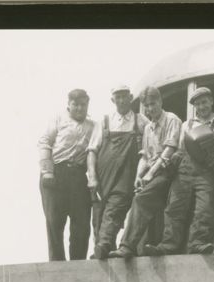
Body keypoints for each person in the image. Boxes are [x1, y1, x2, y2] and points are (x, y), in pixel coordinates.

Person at [144, 85, 214, 257]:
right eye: (197, 104)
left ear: (211, 102)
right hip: (185, 171)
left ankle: (197, 243)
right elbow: (180, 149)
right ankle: (168, 245)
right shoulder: (186, 125)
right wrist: (173, 161)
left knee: (204, 209)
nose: (201, 107)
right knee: (175, 207)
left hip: (208, 173)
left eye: (204, 102)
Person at [108, 86, 181, 259]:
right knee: (140, 195)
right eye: (146, 106)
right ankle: (145, 245)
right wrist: (138, 177)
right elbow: (145, 157)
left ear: (160, 101)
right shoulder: (148, 128)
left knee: (142, 199)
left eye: (152, 104)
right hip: (154, 172)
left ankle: (127, 246)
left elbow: (170, 150)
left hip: (170, 170)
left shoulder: (172, 119)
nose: (149, 109)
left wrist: (150, 174)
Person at [86, 84, 149, 259]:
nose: (121, 100)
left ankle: (104, 244)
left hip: (125, 175)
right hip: (102, 177)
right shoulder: (104, 121)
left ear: (131, 98)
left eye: (124, 96)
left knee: (115, 207)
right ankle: (103, 251)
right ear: (112, 100)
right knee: (99, 217)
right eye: (117, 97)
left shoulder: (141, 121)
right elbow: (92, 151)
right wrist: (92, 177)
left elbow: (151, 143)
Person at [38, 88, 95, 261]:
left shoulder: (93, 126)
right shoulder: (59, 119)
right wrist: (47, 171)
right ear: (69, 105)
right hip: (56, 172)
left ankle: (77, 263)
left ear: (87, 105)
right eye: (75, 105)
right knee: (55, 221)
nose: (79, 108)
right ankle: (57, 265)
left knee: (82, 224)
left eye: (83, 105)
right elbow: (44, 142)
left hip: (78, 174)